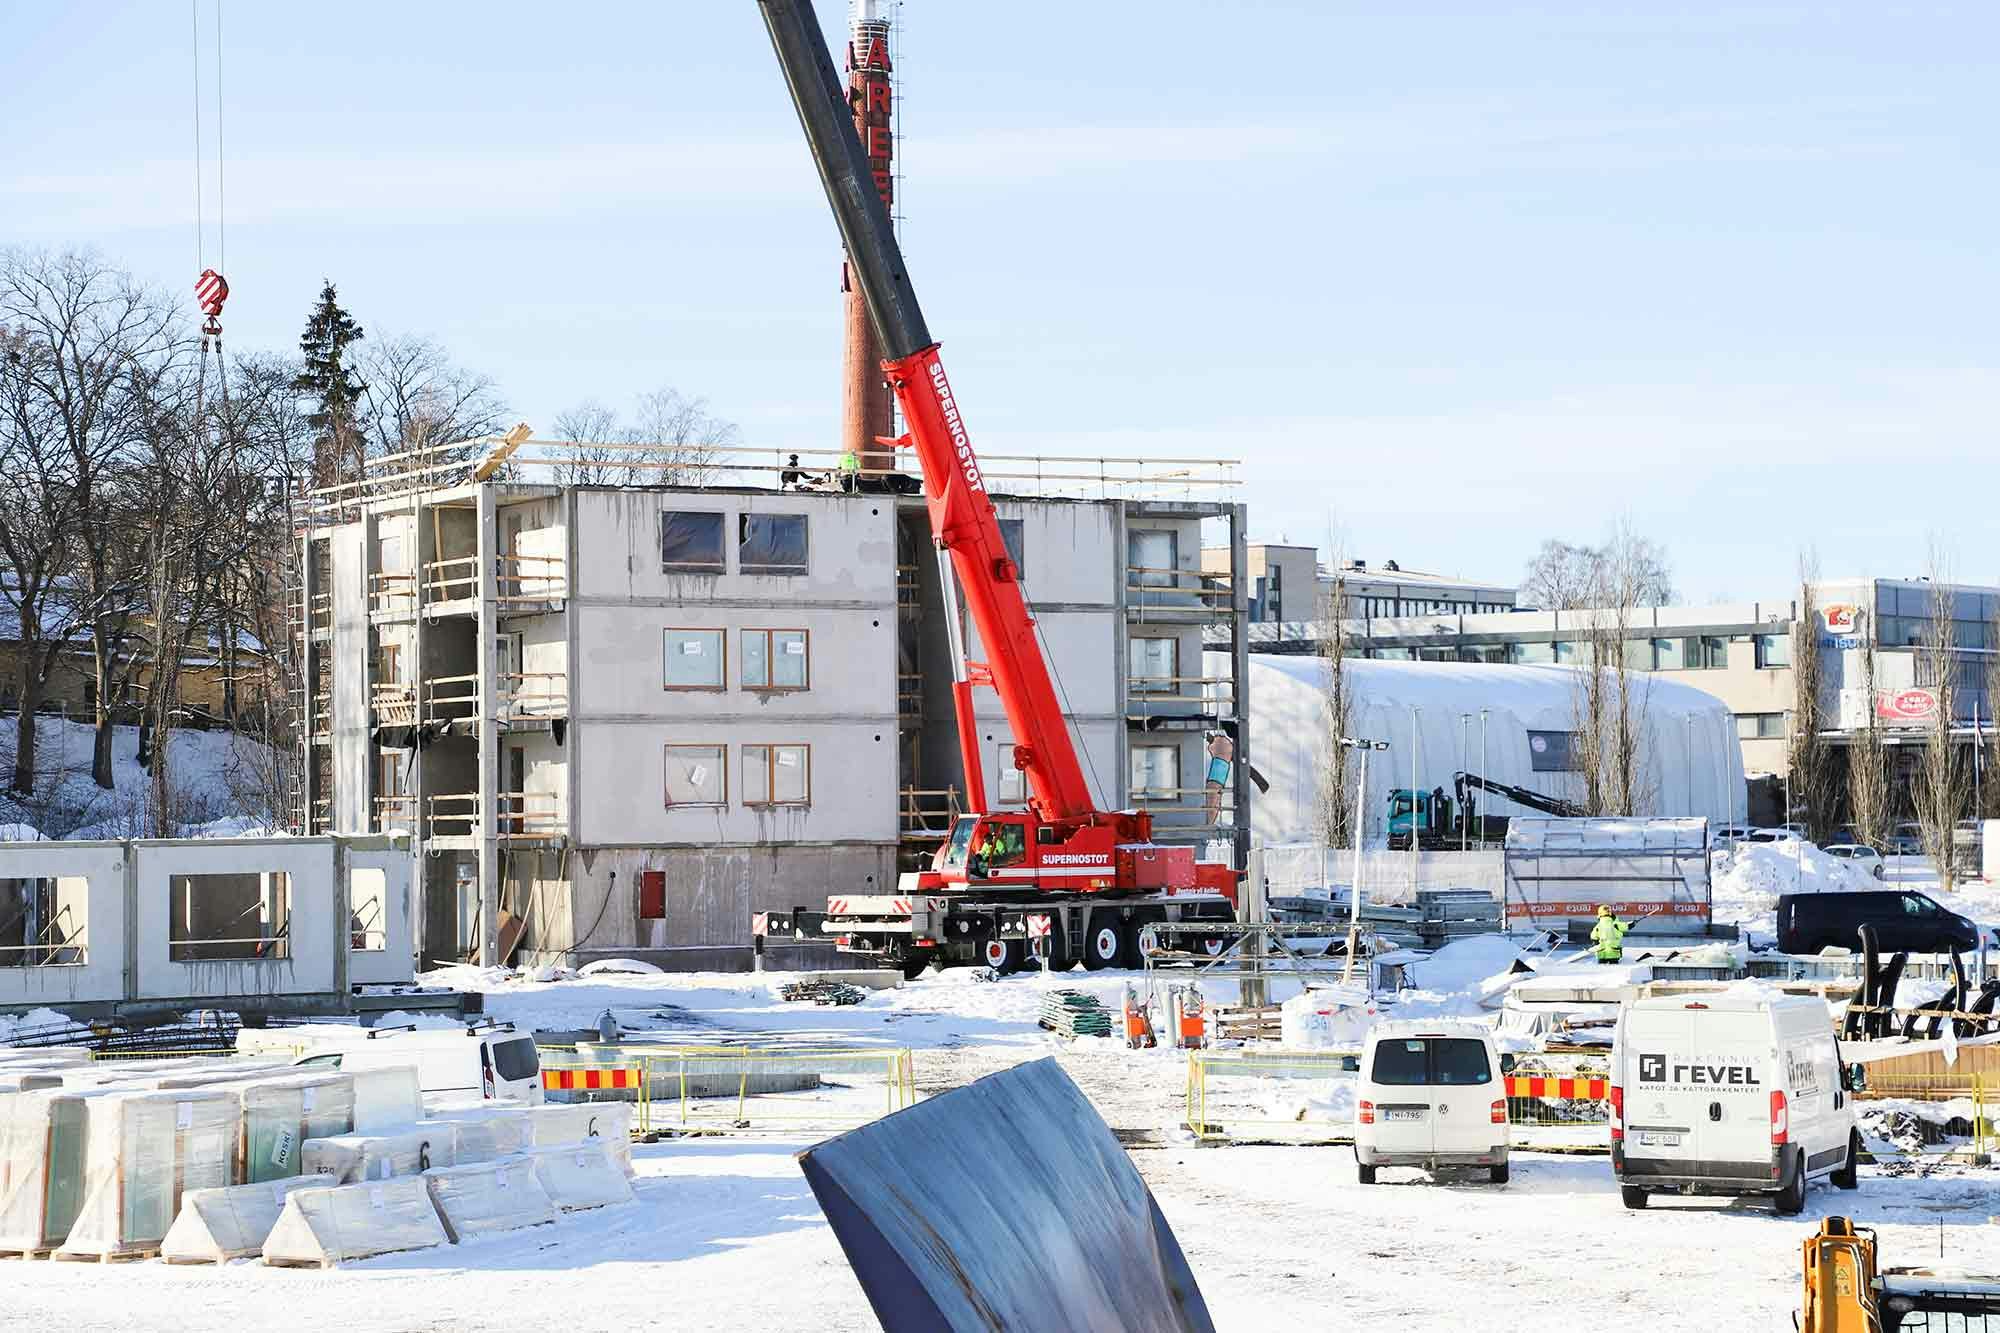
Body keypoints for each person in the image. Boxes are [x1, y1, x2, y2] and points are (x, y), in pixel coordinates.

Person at [1203, 730, 1234, 824]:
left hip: (1215, 779)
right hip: (1217, 779)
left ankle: (1209, 823)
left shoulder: (1222, 743)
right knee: (1213, 801)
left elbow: (1211, 748)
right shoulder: (1226, 745)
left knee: (1212, 801)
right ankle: (1209, 823)